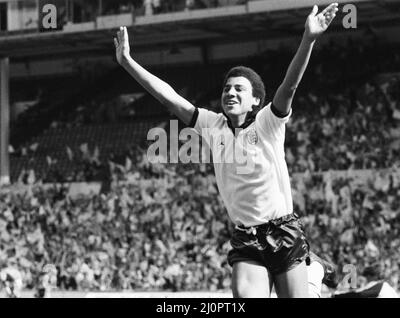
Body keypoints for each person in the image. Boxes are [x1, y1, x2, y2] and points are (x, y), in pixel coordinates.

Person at [114, 3, 339, 297]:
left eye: (239, 90)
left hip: (283, 231)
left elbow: (290, 86)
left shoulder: (267, 123)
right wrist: (128, 62)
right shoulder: (211, 124)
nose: (230, 93)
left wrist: (308, 38)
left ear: (256, 101)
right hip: (246, 237)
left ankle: (313, 274)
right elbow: (169, 98)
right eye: (226, 89)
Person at [307, 253, 399, 298]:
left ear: (373, 276)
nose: (367, 280)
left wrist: (335, 296)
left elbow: (358, 294)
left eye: (368, 277)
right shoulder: (387, 287)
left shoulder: (378, 285)